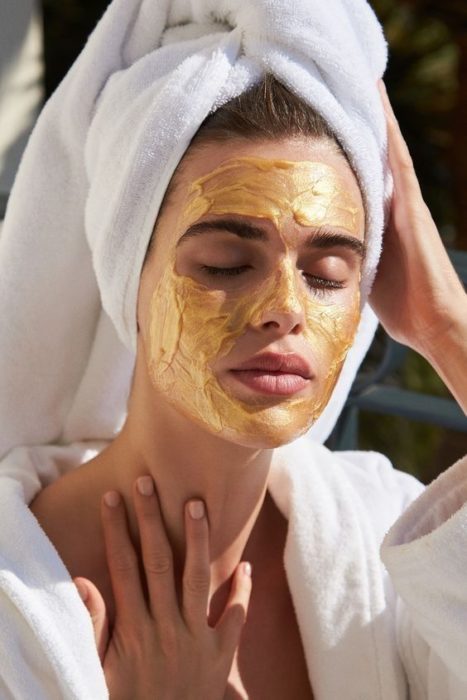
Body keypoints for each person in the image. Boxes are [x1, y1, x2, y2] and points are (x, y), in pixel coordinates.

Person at [0, 1, 466, 699]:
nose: (284, 310)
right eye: (224, 263)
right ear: (128, 275)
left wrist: (444, 325)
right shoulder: (17, 592)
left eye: (328, 273)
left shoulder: (378, 541)